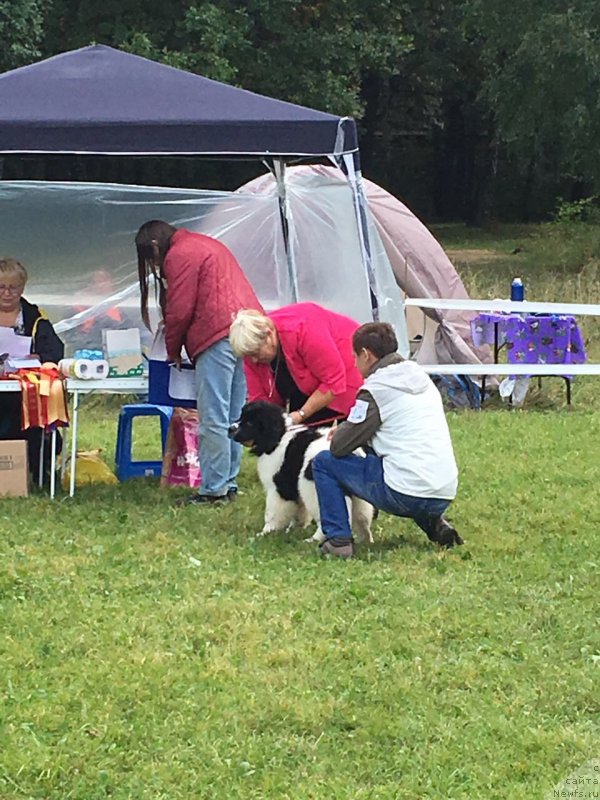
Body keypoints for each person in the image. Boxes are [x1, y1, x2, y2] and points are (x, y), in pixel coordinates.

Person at [135, 220, 263, 505]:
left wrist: (172, 351)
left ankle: (213, 489)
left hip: (215, 334)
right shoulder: (206, 243)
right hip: (241, 330)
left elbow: (179, 310)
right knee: (233, 416)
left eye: (150, 258)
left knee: (213, 417)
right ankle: (228, 482)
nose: (155, 267)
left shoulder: (180, 254)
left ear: (155, 246)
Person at [312, 321, 463, 559]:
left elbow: (340, 447)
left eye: (354, 356)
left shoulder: (376, 390)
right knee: (406, 464)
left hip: (404, 494)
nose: (353, 363)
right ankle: (437, 526)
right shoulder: (420, 377)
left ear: (366, 355)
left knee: (323, 462)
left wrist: (345, 431)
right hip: (444, 491)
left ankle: (338, 540)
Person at [229, 303, 363, 425]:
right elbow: (260, 400)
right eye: (249, 355)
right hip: (304, 388)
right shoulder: (252, 350)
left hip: (348, 373)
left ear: (269, 335)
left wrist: (301, 414)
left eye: (256, 353)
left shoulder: (303, 329)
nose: (253, 360)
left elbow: (333, 381)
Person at [0, 257, 64, 478]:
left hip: (27, 392)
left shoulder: (36, 317)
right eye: (1, 287)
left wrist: (40, 358)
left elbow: (55, 351)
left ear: (22, 288)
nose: (7, 293)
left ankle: (36, 471)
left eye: (13, 288)